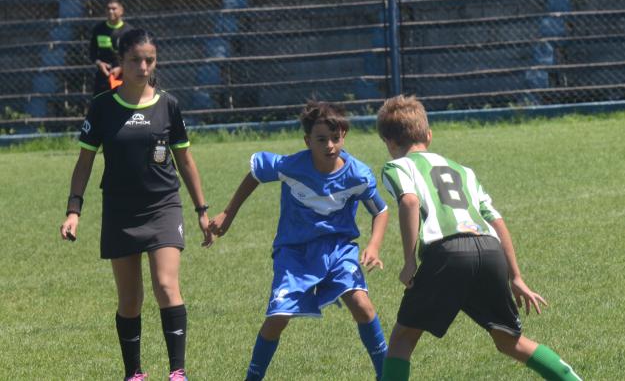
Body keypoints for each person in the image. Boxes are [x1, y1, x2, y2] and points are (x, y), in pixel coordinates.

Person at [376, 95, 582, 381]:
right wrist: (516, 277)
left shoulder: (397, 167)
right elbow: (496, 220)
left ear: (388, 141)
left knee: (402, 340)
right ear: (429, 135)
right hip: (489, 249)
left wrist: (409, 261)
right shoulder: (464, 171)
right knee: (510, 341)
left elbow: (409, 202)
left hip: (447, 253)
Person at [60, 28, 212, 381]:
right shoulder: (102, 107)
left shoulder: (168, 105)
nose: (144, 67)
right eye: (136, 60)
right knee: (130, 299)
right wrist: (73, 211)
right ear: (122, 62)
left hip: (163, 206)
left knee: (165, 284)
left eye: (150, 60)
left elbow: (186, 162)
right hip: (120, 210)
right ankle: (135, 374)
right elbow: (84, 163)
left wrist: (202, 212)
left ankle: (177, 372)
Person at [208, 101, 390, 381]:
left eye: (336, 138)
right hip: (295, 253)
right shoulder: (291, 166)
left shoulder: (357, 174)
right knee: (278, 318)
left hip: (338, 249)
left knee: (362, 305)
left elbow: (381, 211)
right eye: (321, 139)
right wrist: (228, 215)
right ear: (307, 141)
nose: (329, 145)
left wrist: (374, 245)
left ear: (344, 136)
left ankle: (387, 374)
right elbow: (255, 173)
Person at [89, 0, 133, 95]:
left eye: (114, 9)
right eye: (108, 9)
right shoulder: (98, 29)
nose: (110, 11)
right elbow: (92, 52)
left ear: (121, 10)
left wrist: (121, 68)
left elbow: (133, 55)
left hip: (124, 76)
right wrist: (99, 63)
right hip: (103, 76)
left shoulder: (129, 31)